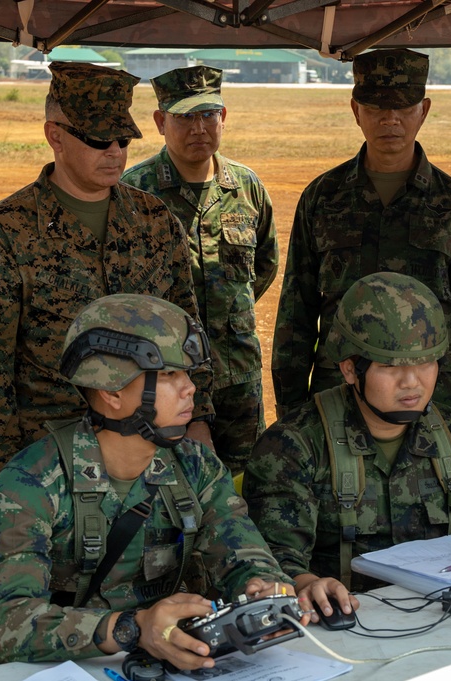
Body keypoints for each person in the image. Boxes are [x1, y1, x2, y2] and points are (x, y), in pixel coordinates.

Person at [0, 294, 306, 668]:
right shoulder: (32, 481)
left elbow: (241, 550)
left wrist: (262, 586)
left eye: (187, 373)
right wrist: (130, 629)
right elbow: (6, 622)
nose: (190, 388)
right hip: (57, 667)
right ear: (113, 393)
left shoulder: (195, 466)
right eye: (168, 375)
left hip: (160, 663)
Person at [0, 62, 214, 491]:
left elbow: (186, 333)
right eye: (96, 139)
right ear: (55, 136)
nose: (114, 151)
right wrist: (8, 474)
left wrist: (197, 425)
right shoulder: (3, 234)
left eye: (122, 139)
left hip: (152, 452)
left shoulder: (154, 221)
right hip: (51, 463)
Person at [246, 272, 451, 624]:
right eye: (390, 366)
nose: (412, 382)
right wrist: (305, 584)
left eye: (425, 363)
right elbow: (273, 559)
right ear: (350, 369)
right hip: (344, 624)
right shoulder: (294, 446)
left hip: (447, 618)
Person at [271, 48, 451, 439]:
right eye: (376, 107)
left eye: (403, 107)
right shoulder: (322, 198)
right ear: (355, 110)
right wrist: (292, 414)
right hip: (338, 399)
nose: (390, 119)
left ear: (424, 110)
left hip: (430, 401)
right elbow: (296, 311)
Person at [124, 66, 277, 475]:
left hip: (238, 380)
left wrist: (224, 318)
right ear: (160, 122)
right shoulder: (135, 194)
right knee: (170, 488)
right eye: (184, 117)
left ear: (223, 117)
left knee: (248, 487)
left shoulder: (246, 187)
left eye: (208, 115)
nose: (199, 128)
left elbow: (263, 267)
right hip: (165, 380)